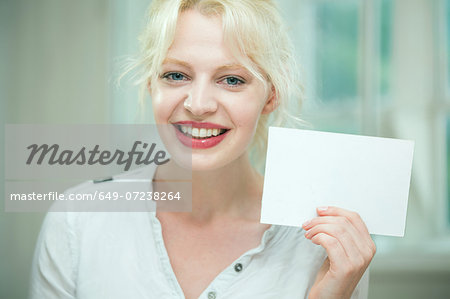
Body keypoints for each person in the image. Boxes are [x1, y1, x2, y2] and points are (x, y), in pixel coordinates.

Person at [29, 0, 376, 298]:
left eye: (232, 80)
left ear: (271, 95)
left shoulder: (323, 246)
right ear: (151, 83)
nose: (198, 104)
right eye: (176, 75)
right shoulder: (77, 222)